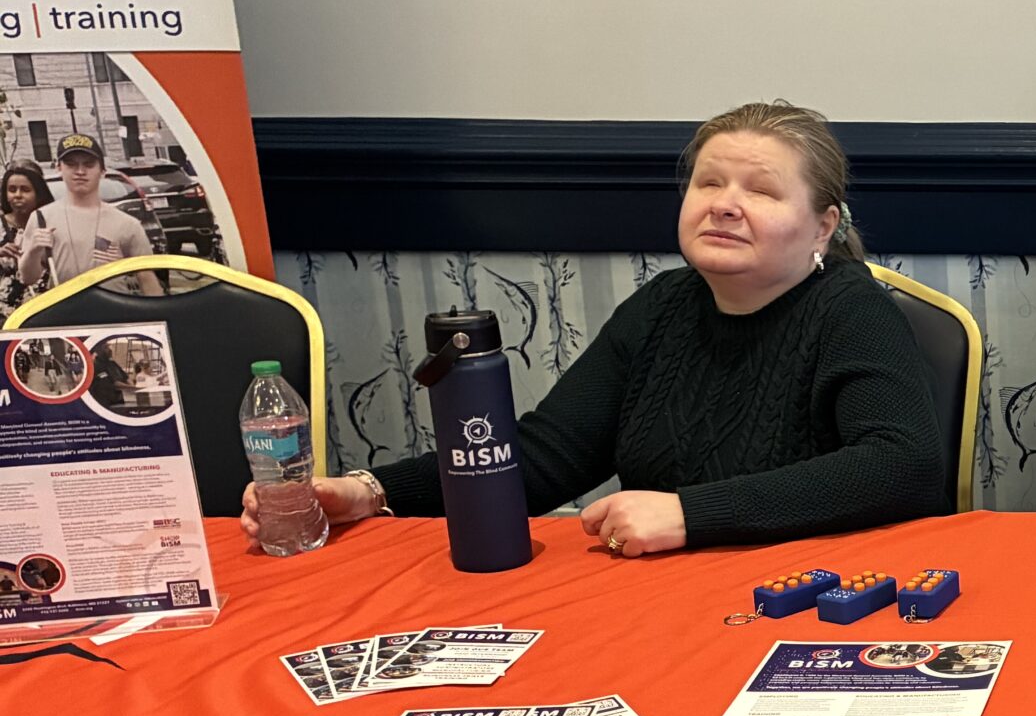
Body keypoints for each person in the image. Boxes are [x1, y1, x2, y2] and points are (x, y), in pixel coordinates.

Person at [240, 99, 947, 554]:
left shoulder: (852, 309)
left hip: (809, 609)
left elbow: (902, 467)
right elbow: (548, 456)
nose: (726, 205)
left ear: (823, 225)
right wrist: (372, 492)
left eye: (760, 191)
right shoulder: (662, 305)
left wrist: (692, 514)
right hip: (663, 601)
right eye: (709, 183)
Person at [14, 135, 151, 295]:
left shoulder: (127, 224)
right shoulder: (42, 218)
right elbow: (28, 278)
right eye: (71, 164)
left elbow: (147, 278)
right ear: (59, 168)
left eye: (89, 164)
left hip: (115, 315)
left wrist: (161, 317)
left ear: (102, 171)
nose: (80, 171)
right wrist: (33, 251)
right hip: (65, 315)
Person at [0, 159, 54, 310]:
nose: (17, 195)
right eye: (12, 190)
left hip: (45, 309)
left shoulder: (51, 223)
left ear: (39, 192)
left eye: (25, 189)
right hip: (6, 314)